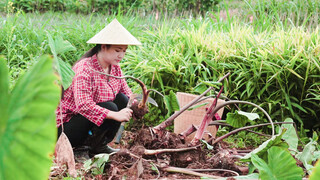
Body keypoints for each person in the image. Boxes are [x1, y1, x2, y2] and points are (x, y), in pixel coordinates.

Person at [56, 19, 141, 155]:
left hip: (87, 122)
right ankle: (80, 148)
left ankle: (98, 145)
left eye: (124, 51)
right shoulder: (85, 69)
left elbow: (127, 93)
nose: (121, 55)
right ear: (103, 47)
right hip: (67, 128)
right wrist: (115, 115)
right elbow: (83, 105)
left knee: (123, 100)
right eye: (117, 50)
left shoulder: (115, 68)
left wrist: (138, 105)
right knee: (111, 108)